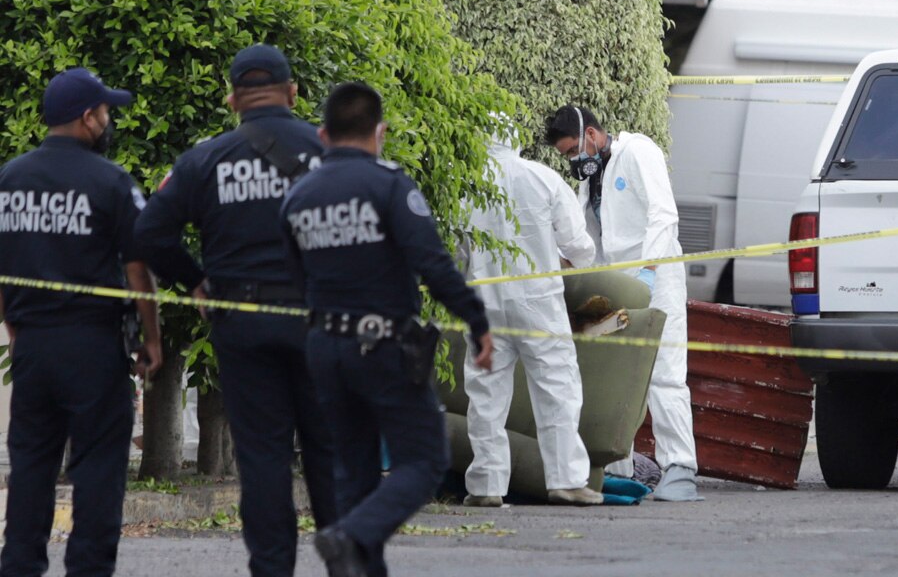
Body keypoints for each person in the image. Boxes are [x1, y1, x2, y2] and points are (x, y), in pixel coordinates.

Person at [133, 44, 335, 576]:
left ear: (231, 101)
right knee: (332, 452)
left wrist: (197, 282)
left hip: (242, 323)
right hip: (322, 321)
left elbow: (150, 232)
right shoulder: (330, 151)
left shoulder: (204, 160)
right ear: (293, 94)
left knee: (263, 457)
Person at [281, 81, 494, 577]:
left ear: (322, 134)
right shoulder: (389, 185)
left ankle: (351, 543)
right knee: (423, 461)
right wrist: (477, 321)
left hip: (324, 348)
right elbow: (434, 266)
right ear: (379, 133)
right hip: (381, 347)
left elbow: (294, 279)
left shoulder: (298, 196)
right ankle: (350, 534)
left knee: (351, 473)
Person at [0, 68, 162, 577]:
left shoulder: (10, 179)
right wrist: (152, 338)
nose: (109, 121)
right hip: (93, 348)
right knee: (97, 470)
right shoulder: (111, 181)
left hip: (31, 347)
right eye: (106, 112)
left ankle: (19, 566)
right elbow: (139, 269)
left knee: (30, 467)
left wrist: (15, 332)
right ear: (87, 118)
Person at [545, 105, 702, 502]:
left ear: (593, 136)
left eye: (572, 152)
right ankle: (617, 468)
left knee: (664, 372)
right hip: (617, 283)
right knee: (617, 376)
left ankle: (680, 467)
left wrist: (648, 270)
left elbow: (664, 215)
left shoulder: (638, 152)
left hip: (657, 277)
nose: (572, 162)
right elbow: (591, 242)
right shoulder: (592, 180)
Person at [462, 127, 603, 506]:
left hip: (483, 301)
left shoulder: (465, 184)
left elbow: (456, 254)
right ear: (513, 137)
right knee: (557, 388)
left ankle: (486, 486)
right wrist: (570, 260)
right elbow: (577, 243)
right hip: (538, 301)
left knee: (485, 394)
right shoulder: (542, 177)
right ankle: (566, 480)